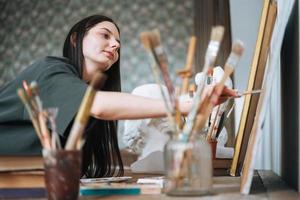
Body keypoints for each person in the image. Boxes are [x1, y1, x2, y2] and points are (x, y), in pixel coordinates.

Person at [0, 15, 238, 178]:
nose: (115, 45)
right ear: (75, 38)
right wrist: (187, 105)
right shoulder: (50, 69)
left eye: (118, 42)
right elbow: (100, 106)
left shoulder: (83, 95)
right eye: (105, 35)